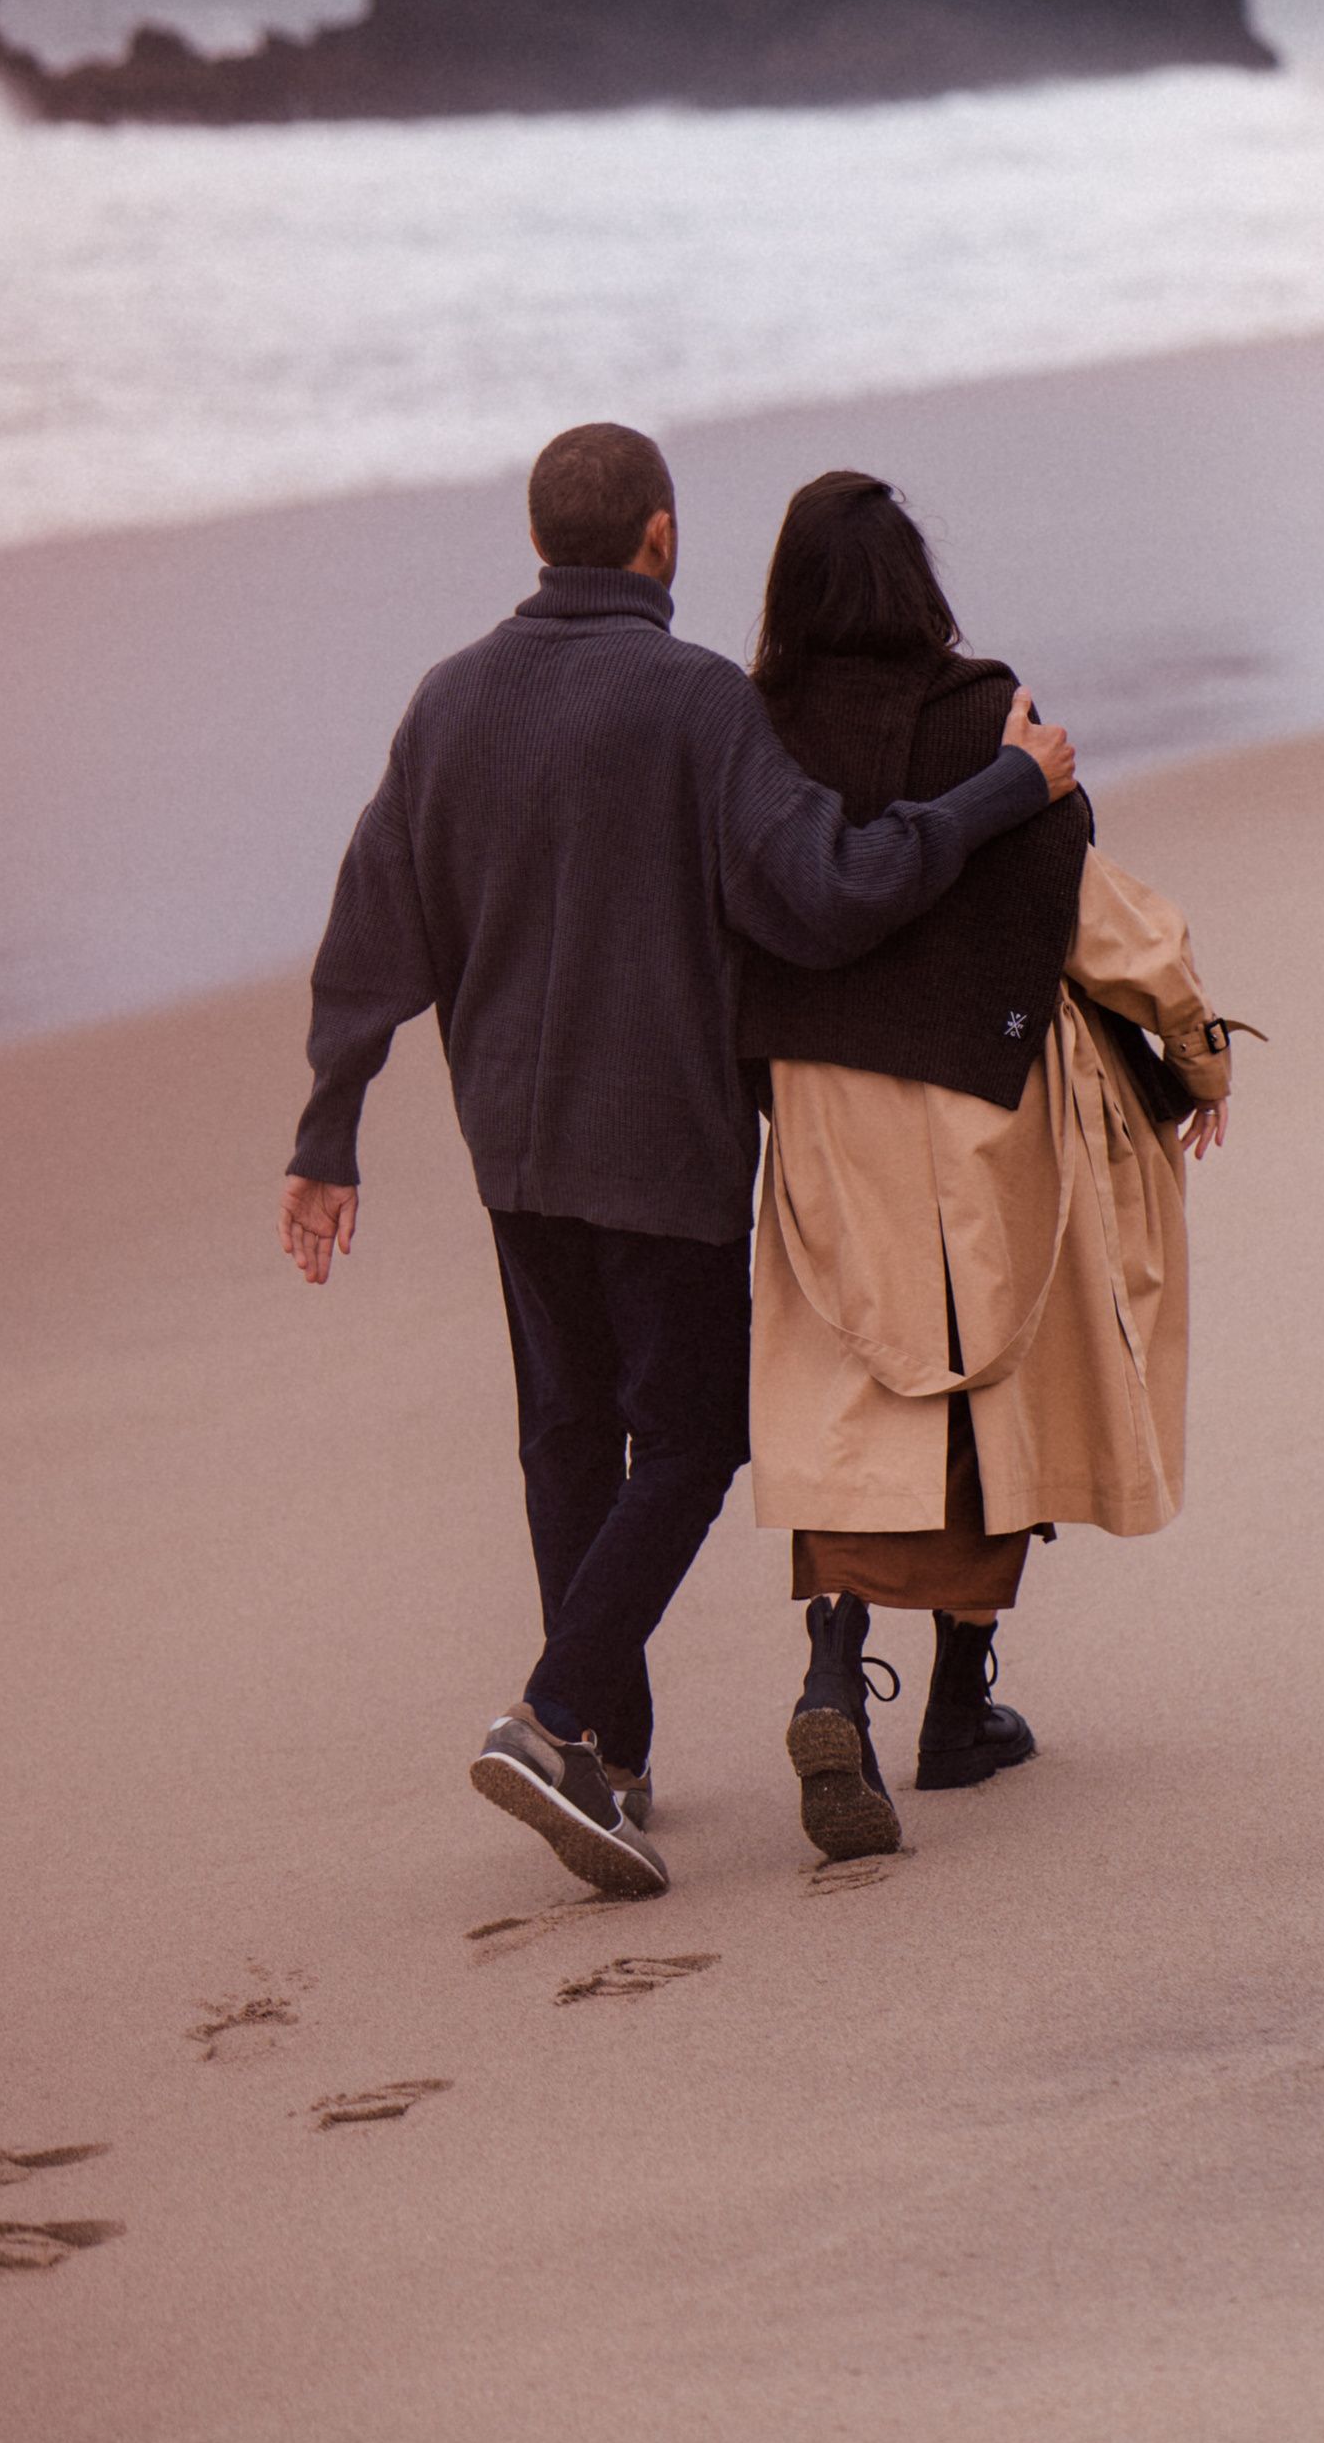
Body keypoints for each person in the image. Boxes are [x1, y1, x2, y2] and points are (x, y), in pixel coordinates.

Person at [278, 423, 1078, 1902]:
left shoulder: (446, 703)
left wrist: (330, 1133)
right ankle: (554, 1715)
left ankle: (615, 1760)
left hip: (512, 1150)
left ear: (543, 537)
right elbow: (828, 896)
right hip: (662, 1147)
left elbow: (368, 933)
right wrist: (1002, 794)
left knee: (571, 1439)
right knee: (695, 1438)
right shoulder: (696, 704)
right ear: (658, 538)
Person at [734, 472, 1243, 1864]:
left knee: (850, 1381)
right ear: (914, 586)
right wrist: (1195, 1048)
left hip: (819, 1101)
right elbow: (1085, 907)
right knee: (987, 1389)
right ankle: (958, 1708)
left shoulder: (754, 732)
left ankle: (835, 1670)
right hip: (979, 1099)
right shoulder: (988, 720)